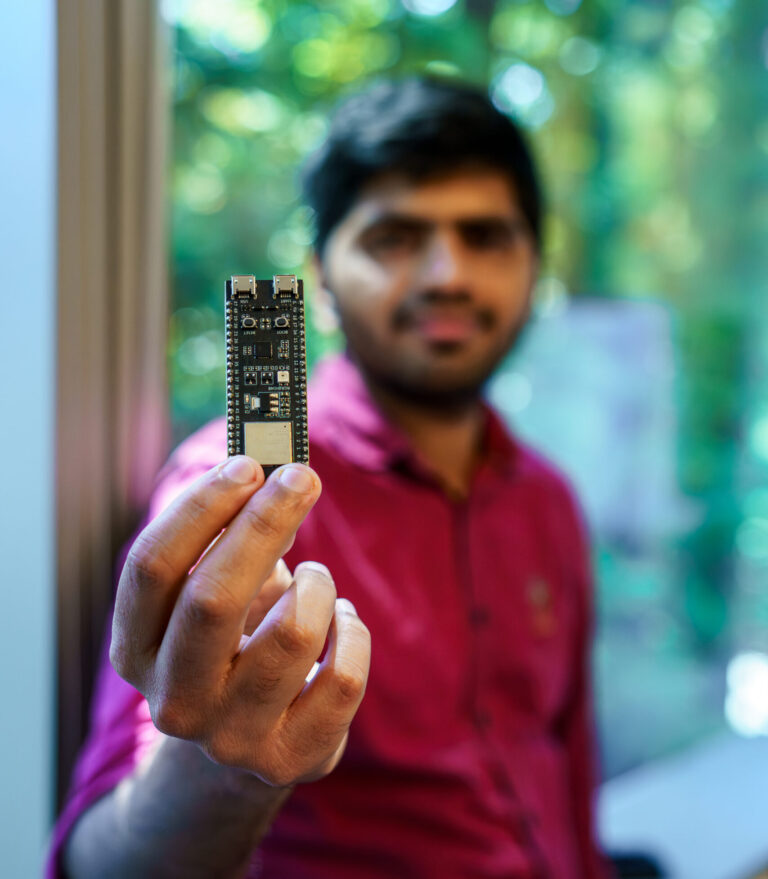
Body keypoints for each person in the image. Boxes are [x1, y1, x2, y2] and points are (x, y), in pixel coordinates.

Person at [50, 77, 611, 879]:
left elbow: (567, 774)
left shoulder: (545, 499)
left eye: (486, 235)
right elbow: (105, 864)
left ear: (533, 265)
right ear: (319, 272)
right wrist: (216, 764)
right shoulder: (235, 491)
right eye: (394, 237)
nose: (448, 273)